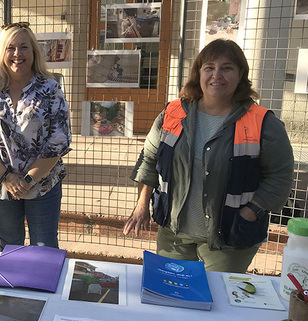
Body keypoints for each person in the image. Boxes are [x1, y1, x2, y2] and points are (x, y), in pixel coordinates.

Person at [122, 39, 294, 273]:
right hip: (174, 234)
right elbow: (149, 160)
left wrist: (250, 211)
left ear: (240, 74)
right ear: (198, 73)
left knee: (216, 303)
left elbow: (280, 177)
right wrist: (142, 204)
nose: (217, 75)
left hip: (229, 238)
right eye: (209, 67)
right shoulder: (173, 112)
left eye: (227, 68)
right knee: (172, 297)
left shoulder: (263, 122)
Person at [0, 22, 72, 250]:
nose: (17, 54)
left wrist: (27, 181)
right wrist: (7, 178)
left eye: (24, 47)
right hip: (3, 187)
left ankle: (42, 285)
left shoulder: (50, 89)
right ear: (1, 53)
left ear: (34, 52)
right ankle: (10, 286)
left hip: (43, 185)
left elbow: (59, 140)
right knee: (10, 245)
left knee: (44, 247)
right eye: (10, 48)